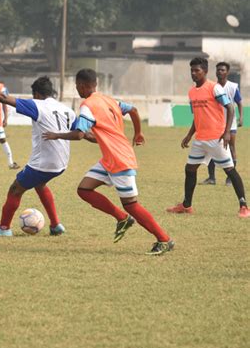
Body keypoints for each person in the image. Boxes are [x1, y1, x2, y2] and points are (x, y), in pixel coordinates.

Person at [43, 69, 174, 255]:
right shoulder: (109, 100)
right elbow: (134, 110)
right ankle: (122, 218)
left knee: (132, 205)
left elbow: (80, 134)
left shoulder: (87, 105)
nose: (77, 89)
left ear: (83, 85)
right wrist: (138, 132)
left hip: (119, 158)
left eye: (77, 86)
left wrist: (57, 135)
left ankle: (164, 239)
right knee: (84, 189)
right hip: (110, 159)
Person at [0, 73, 76, 236]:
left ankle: (4, 229)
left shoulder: (37, 105)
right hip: (61, 163)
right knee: (40, 184)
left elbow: (2, 98)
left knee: (15, 189)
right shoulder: (67, 109)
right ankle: (56, 225)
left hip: (44, 163)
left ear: (36, 94)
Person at [167, 57, 249, 218]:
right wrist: (189, 135)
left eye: (197, 70)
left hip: (216, 138)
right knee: (190, 169)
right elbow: (197, 116)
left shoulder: (215, 88)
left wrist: (226, 132)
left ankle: (244, 206)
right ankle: (186, 206)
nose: (194, 73)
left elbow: (230, 108)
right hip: (200, 140)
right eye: (192, 70)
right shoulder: (192, 92)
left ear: (204, 71)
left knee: (229, 170)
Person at [201, 62, 244, 186]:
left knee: (231, 148)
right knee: (211, 148)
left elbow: (239, 102)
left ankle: (230, 179)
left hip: (230, 124)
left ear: (227, 72)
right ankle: (211, 178)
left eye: (222, 70)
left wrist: (241, 117)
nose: (219, 72)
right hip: (215, 124)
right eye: (218, 70)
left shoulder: (233, 87)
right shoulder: (212, 87)